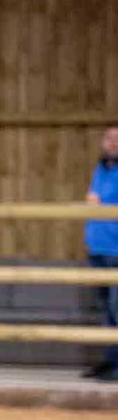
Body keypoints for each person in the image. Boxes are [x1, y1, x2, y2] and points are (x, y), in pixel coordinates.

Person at [83, 124, 118, 381]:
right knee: (106, 308)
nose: (113, 143)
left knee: (117, 307)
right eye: (109, 138)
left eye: (117, 139)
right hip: (98, 247)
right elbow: (93, 200)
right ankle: (111, 360)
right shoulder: (100, 169)